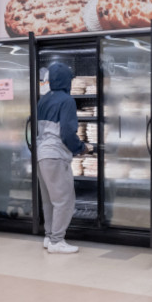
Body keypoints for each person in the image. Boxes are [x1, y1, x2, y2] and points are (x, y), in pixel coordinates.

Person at [36, 62, 92, 254]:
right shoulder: (67, 100)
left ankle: (49, 236)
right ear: (67, 80)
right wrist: (81, 148)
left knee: (49, 200)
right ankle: (57, 241)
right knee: (64, 200)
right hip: (56, 155)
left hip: (42, 154)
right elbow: (67, 132)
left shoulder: (43, 99)